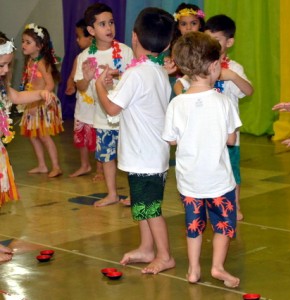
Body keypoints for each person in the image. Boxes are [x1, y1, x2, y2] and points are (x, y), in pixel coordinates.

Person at [95, 7, 176, 274]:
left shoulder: (136, 73)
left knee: (150, 208)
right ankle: (146, 248)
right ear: (165, 44)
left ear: (134, 37)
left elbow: (112, 109)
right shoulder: (155, 70)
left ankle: (164, 255)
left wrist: (99, 86)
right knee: (142, 204)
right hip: (151, 152)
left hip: (145, 155)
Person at [162, 31, 242, 287]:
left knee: (194, 225)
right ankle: (217, 267)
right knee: (222, 225)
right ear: (214, 66)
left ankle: (194, 270)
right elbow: (231, 140)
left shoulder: (177, 103)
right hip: (219, 180)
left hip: (190, 182)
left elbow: (171, 140)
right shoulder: (223, 102)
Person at [175, 15, 254, 221]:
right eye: (207, 39)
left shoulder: (233, 68)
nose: (211, 45)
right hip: (202, 134)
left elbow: (249, 91)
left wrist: (232, 77)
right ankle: (206, 203)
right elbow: (180, 84)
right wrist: (183, 97)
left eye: (216, 40)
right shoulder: (200, 65)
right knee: (206, 168)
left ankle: (234, 204)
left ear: (229, 42)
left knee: (232, 171)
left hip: (228, 135)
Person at [74, 3, 133, 207]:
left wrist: (117, 75)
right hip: (102, 118)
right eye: (102, 24)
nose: (109, 28)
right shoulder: (85, 57)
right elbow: (80, 86)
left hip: (126, 117)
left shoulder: (125, 52)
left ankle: (135, 193)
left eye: (111, 22)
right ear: (91, 30)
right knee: (107, 157)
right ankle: (112, 194)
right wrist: (88, 77)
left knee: (131, 155)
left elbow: (135, 77)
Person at [0, 32, 52, 262]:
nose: (4, 71)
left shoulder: (2, 89)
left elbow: (18, 95)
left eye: (8, 66)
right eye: (1, 65)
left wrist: (40, 93)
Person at [19, 23, 64, 178]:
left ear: (39, 46)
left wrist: (38, 100)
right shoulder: (30, 61)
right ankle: (42, 165)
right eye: (23, 41)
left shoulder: (41, 62)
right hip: (31, 101)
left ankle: (56, 166)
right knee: (33, 136)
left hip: (41, 103)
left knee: (44, 136)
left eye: (28, 42)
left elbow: (50, 83)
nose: (23, 45)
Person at [64, 18, 100, 178]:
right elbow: (72, 76)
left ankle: (100, 169)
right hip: (83, 106)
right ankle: (84, 165)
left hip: (97, 107)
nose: (77, 40)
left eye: (80, 36)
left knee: (98, 139)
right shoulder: (79, 58)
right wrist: (70, 85)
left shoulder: (101, 56)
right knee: (82, 137)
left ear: (91, 37)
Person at [169, 2, 206, 95]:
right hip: (180, 86)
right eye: (184, 24)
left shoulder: (206, 44)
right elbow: (175, 68)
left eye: (193, 23)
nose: (189, 28)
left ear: (200, 24)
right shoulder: (175, 46)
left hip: (202, 85)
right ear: (178, 26)